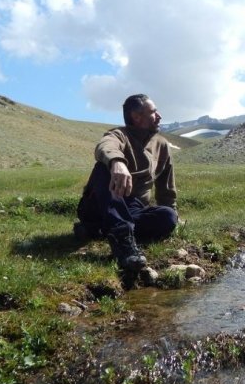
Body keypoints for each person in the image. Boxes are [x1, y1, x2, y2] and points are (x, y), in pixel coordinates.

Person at [75, 94, 178, 272]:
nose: (159, 115)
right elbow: (105, 146)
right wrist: (117, 162)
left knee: (168, 217)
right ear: (136, 117)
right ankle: (123, 243)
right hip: (100, 202)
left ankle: (98, 229)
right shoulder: (119, 135)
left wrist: (173, 213)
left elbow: (165, 187)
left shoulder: (161, 145)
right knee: (103, 168)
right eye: (153, 112)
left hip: (133, 209)